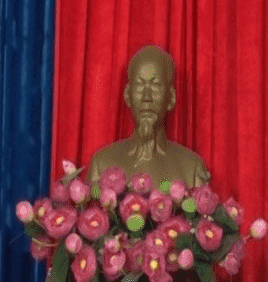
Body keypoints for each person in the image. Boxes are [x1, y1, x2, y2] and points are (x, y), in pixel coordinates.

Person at [86, 45, 210, 188]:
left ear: (171, 98)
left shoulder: (193, 169)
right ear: (127, 96)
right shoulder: (101, 164)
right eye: (139, 85)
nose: (146, 97)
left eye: (155, 85)